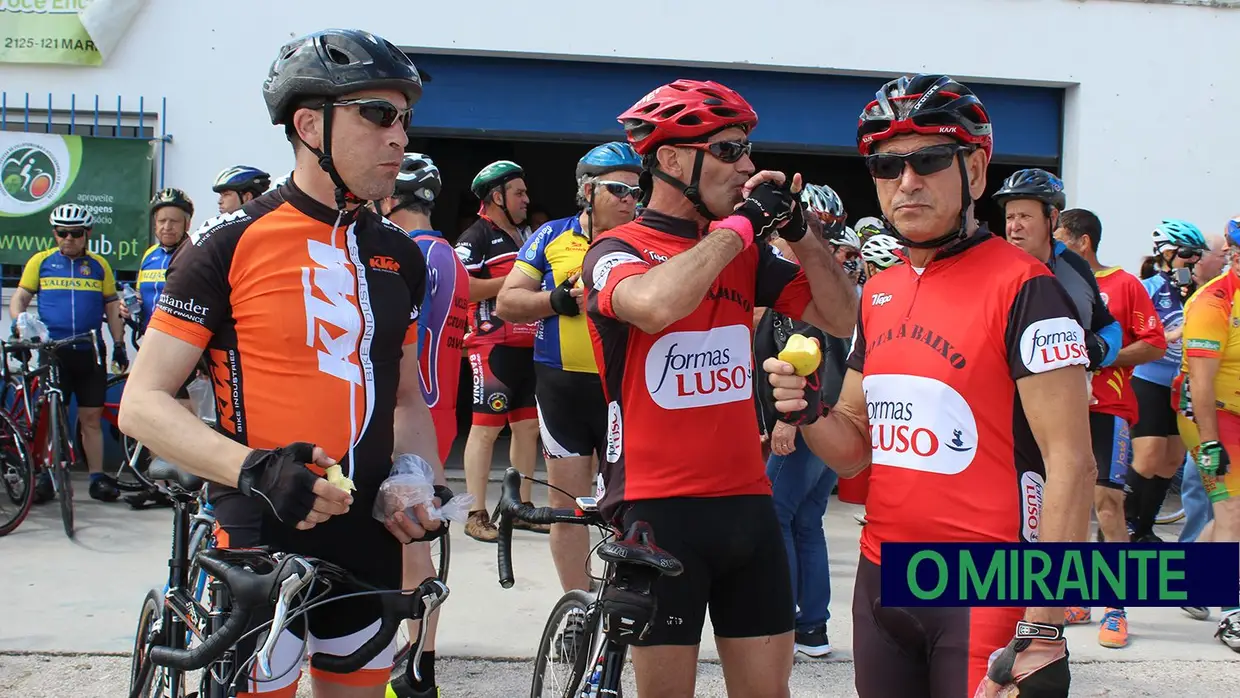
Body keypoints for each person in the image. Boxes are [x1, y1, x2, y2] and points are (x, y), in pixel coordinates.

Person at [118, 28, 448, 698]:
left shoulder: (402, 256)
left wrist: (414, 476)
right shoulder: (225, 247)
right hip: (257, 536)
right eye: (378, 115)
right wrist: (253, 467)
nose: (399, 137)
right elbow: (142, 402)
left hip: (367, 541)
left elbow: (408, 399)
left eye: (404, 119)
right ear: (309, 123)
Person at [766, 74, 1094, 698]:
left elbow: (1072, 465)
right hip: (882, 577)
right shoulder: (881, 292)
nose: (906, 181)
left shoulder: (1027, 288)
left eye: (929, 159)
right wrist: (811, 410)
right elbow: (858, 447)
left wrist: (1045, 626)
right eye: (887, 166)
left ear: (975, 167)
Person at [582, 78, 857, 697]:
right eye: (730, 150)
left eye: (747, 150)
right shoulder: (615, 246)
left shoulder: (746, 252)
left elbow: (841, 316)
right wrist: (740, 227)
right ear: (674, 159)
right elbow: (652, 304)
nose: (748, 167)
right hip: (659, 513)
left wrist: (798, 229)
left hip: (747, 506)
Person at [495, 141, 642, 594]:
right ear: (587, 189)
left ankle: (621, 599)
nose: (630, 201)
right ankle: (576, 604)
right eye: (619, 190)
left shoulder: (645, 238)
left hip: (625, 388)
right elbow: (507, 302)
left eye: (638, 191)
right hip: (563, 387)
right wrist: (555, 300)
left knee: (630, 510)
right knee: (569, 507)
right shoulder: (552, 235)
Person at [1053, 208, 1167, 648]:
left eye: (1060, 236)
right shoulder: (1051, 280)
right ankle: (1077, 597)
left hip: (1109, 409)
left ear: (1082, 241)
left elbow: (1154, 344)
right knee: (1070, 504)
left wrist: (1101, 354)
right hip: (1061, 408)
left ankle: (1115, 608)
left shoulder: (1124, 284)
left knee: (1107, 504)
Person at [378, 152, 466, 698]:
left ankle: (411, 670)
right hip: (442, 409)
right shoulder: (449, 253)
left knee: (406, 547)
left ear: (392, 199)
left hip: (409, 412)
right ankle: (418, 665)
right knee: (419, 544)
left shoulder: (407, 253)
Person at [752, 185, 853, 660]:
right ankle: (812, 628)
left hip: (812, 419)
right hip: (825, 417)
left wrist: (789, 420)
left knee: (775, 514)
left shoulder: (806, 281)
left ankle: (783, 619)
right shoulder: (818, 278)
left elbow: (810, 357)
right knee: (807, 519)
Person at [11, 203, 127, 503]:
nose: (68, 239)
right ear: (54, 233)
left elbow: (112, 306)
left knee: (91, 418)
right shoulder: (41, 262)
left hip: (90, 352)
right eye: (62, 233)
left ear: (87, 234)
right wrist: (18, 325)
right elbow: (21, 297)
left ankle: (97, 477)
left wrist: (118, 344)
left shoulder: (99, 265)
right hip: (54, 353)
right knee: (52, 416)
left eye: (75, 234)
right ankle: (48, 476)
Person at [454, 160, 545, 542]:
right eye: (519, 193)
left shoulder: (528, 234)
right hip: (492, 348)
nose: (527, 199)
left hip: (530, 346)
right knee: (485, 431)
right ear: (497, 197)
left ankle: (519, 509)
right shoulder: (475, 236)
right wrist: (514, 282)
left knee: (527, 430)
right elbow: (463, 288)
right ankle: (475, 513)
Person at [1168, 215, 1240, 652]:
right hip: (1206, 412)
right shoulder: (1214, 301)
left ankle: (1194, 585)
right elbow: (1203, 382)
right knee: (1232, 511)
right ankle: (1232, 615)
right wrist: (1211, 445)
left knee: (1229, 511)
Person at [1128, 219, 1209, 543]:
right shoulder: (1147, 288)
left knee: (1172, 460)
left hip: (1180, 383)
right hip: (1148, 379)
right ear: (1166, 252)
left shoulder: (1194, 291)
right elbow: (1135, 334)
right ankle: (1123, 525)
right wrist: (1174, 333)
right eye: (1188, 253)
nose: (1194, 260)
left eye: (1198, 255)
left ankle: (1145, 528)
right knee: (1148, 456)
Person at [994, 169, 1122, 372]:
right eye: (1010, 217)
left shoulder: (1075, 265)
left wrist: (1100, 348)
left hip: (1067, 395)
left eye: (1025, 216)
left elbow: (1107, 324)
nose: (1014, 227)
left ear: (1052, 218)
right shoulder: (993, 267)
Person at [121, 187, 199, 509]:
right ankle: (161, 481)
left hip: (183, 345)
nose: (167, 227)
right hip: (151, 345)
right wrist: (132, 308)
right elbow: (147, 296)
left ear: (186, 224)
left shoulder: (195, 252)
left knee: (181, 413)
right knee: (153, 412)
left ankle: (189, 474)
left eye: (174, 221)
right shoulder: (149, 257)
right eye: (162, 221)